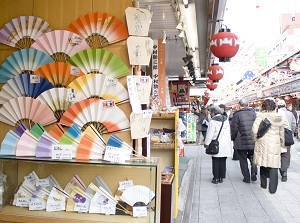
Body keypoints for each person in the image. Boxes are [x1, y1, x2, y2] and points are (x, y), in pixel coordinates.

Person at [252, 98, 288, 194]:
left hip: (262, 142)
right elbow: (282, 133)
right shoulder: (279, 117)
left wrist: (255, 139)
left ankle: (263, 184)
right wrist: (281, 144)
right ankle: (273, 189)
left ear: (264, 107)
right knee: (274, 165)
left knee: (263, 162)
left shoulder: (261, 116)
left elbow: (254, 130)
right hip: (275, 143)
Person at [230, 99, 257, 183]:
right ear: (247, 104)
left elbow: (234, 128)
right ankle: (254, 172)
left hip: (241, 140)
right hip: (252, 140)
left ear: (239, 105)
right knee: (253, 158)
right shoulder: (253, 114)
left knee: (243, 160)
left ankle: (246, 178)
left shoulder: (237, 115)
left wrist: (233, 138)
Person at [204, 105, 232, 184]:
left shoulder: (213, 121)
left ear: (213, 112)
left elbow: (210, 134)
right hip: (225, 144)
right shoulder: (226, 120)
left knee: (216, 161)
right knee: (223, 160)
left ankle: (215, 178)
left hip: (216, 144)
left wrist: (206, 144)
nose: (210, 114)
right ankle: (221, 177)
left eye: (211, 112)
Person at [277, 100, 296, 181]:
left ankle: (278, 167)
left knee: (278, 153)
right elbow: (293, 124)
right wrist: (291, 133)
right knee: (285, 153)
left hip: (277, 136)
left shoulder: (276, 113)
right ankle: (285, 168)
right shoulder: (290, 113)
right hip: (287, 135)